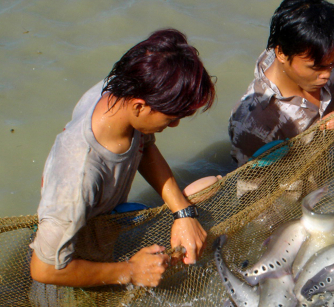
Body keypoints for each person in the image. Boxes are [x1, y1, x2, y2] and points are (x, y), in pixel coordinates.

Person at [30, 29, 217, 288]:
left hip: (101, 226)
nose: (174, 126)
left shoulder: (122, 91)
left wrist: (182, 213)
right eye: (171, 117)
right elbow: (44, 270)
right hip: (72, 266)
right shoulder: (77, 176)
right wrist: (130, 271)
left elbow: (145, 149)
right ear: (140, 106)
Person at [228, 0, 334, 166]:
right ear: (281, 53)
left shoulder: (325, 56)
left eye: (331, 64)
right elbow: (251, 188)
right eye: (316, 68)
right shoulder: (255, 123)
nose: (327, 74)